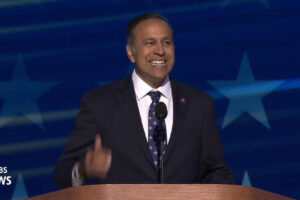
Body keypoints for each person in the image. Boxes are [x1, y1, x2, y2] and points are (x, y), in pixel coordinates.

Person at [54, 12, 234, 188]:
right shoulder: (99, 103)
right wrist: (84, 169)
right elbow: (63, 171)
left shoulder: (199, 104)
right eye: (150, 43)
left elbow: (216, 171)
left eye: (167, 42)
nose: (160, 50)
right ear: (130, 52)